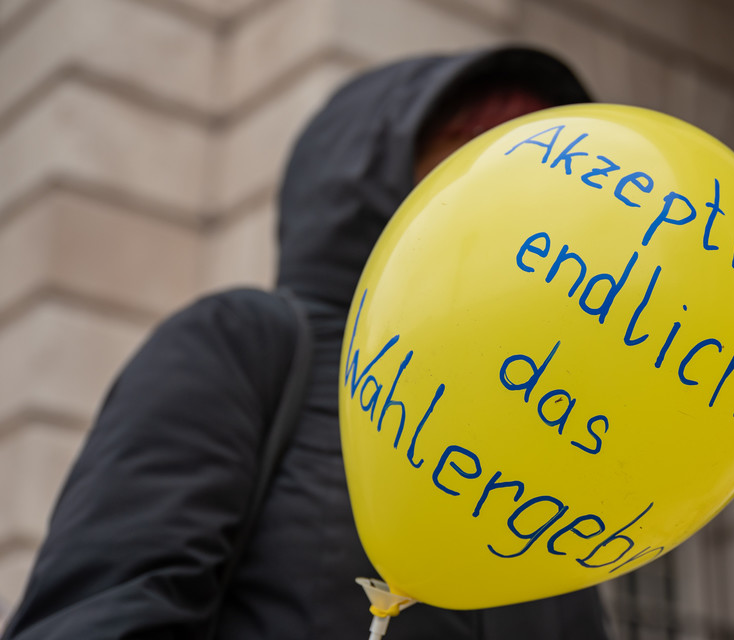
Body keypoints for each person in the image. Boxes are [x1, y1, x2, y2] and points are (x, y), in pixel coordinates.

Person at [1, 48, 611, 639]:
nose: (522, 188)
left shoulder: (549, 436)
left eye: (550, 169)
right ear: (373, 171)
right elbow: (99, 614)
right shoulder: (241, 343)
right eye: (476, 145)